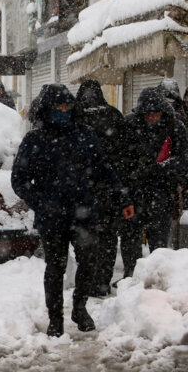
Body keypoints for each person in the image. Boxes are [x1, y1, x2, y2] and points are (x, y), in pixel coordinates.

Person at [12, 84, 133, 337]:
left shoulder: (86, 134)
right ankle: (55, 318)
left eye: (68, 106)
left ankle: (79, 307)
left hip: (84, 213)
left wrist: (123, 198)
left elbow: (104, 169)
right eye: (59, 106)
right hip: (51, 217)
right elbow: (19, 180)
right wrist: (41, 202)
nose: (64, 110)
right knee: (55, 268)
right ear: (47, 108)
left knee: (88, 261)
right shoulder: (35, 139)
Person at [121, 86, 188, 277]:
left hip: (161, 191)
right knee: (130, 238)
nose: (151, 117)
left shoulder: (175, 126)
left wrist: (161, 169)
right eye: (147, 114)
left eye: (155, 113)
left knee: (158, 242)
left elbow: (183, 160)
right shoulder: (129, 124)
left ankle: (156, 278)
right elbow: (119, 159)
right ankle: (131, 276)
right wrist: (134, 174)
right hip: (133, 192)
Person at [73, 80, 130, 297]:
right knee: (107, 238)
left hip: (83, 192)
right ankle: (102, 282)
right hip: (108, 190)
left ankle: (87, 281)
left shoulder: (75, 117)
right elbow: (125, 155)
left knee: (86, 240)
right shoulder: (114, 115)